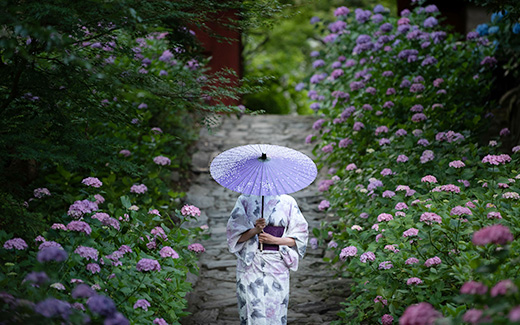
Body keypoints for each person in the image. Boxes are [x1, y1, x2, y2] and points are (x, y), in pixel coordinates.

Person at [226, 193, 309, 325]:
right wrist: (255, 230)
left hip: (277, 263)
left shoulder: (288, 201)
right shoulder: (245, 200)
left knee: (275, 311)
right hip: (250, 264)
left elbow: (299, 239)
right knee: (252, 310)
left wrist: (275, 240)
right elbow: (234, 238)